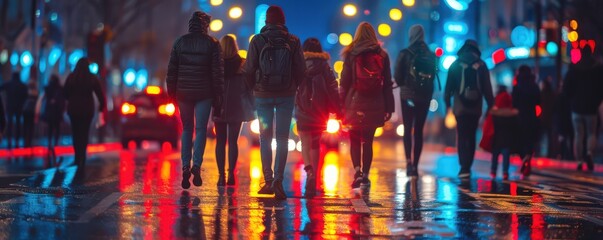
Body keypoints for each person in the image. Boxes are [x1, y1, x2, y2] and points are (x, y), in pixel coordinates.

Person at [244, 5, 306, 199]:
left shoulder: (258, 41)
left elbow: (248, 69)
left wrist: (253, 87)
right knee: (281, 138)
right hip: (286, 95)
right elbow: (301, 70)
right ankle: (279, 180)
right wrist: (294, 86)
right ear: (283, 21)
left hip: (263, 95)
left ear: (266, 21)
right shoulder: (293, 41)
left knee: (265, 138)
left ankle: (268, 180)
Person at [166, 11, 224, 189]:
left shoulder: (180, 42)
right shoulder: (212, 44)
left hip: (183, 92)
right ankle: (196, 165)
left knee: (186, 129)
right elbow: (217, 73)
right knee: (200, 129)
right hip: (204, 93)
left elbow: (171, 71)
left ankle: (185, 165)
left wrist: (172, 94)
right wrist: (218, 96)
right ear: (205, 26)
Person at [340, 22, 395, 188]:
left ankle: (357, 171)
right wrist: (389, 108)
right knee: (368, 141)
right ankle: (366, 174)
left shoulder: (351, 54)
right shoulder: (383, 55)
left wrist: (340, 106)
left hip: (355, 101)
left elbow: (344, 82)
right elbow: (387, 84)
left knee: (354, 139)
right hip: (376, 102)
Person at [294, 37, 340, 195]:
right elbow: (333, 87)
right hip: (320, 110)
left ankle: (310, 173)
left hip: (302, 109)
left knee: (305, 143)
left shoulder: (298, 64)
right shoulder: (324, 66)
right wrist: (337, 108)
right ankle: (316, 177)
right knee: (315, 144)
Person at [444, 40, 494, 179]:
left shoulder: (455, 64)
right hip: (476, 108)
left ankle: (463, 167)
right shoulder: (482, 65)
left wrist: (448, 105)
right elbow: (487, 89)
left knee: (462, 135)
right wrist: (490, 107)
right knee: (471, 136)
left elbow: (448, 89)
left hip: (460, 107)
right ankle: (468, 166)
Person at [394, 24, 437, 177]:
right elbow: (433, 78)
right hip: (424, 97)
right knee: (418, 131)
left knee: (408, 129)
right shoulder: (431, 54)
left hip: (407, 97)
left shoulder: (405, 53)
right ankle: (417, 165)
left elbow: (398, 77)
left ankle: (408, 163)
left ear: (411, 35)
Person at [213, 35, 255, 187]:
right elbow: (249, 87)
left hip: (220, 106)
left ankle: (221, 176)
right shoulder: (243, 65)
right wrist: (252, 105)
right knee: (233, 142)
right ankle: (231, 174)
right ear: (235, 46)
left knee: (220, 142)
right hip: (237, 106)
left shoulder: (217, 65)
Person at [563, 46, 603, 171]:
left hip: (576, 107)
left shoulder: (574, 68)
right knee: (591, 133)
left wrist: (571, 100)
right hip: (591, 107)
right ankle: (590, 152)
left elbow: (566, 89)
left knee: (578, 134)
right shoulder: (597, 68)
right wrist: (597, 101)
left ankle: (579, 160)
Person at [64, 58, 106, 173]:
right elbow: (100, 96)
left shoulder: (72, 77)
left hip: (73, 109)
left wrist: (71, 99)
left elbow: (65, 93)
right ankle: (82, 158)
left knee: (76, 134)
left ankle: (77, 158)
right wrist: (101, 108)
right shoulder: (92, 78)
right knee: (84, 133)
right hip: (87, 110)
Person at [512, 65, 540, 177]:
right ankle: (528, 157)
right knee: (530, 140)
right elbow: (539, 100)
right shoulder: (534, 85)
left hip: (520, 117)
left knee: (520, 141)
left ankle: (524, 157)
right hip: (532, 116)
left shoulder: (517, 86)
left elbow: (513, 102)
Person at [489, 86, 519, 180]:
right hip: (507, 137)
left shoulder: (495, 112)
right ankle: (505, 172)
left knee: (495, 155)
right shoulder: (512, 113)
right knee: (506, 155)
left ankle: (493, 171)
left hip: (497, 137)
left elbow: (490, 124)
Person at [0, 72, 28, 149]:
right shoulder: (22, 85)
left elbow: (1, 88)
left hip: (10, 107)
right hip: (19, 107)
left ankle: (9, 141)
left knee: (9, 124)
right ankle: (17, 141)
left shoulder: (9, 84)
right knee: (18, 124)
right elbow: (26, 95)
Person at [42, 75, 66, 152]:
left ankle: (50, 143)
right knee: (57, 127)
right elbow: (63, 100)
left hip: (50, 111)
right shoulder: (60, 89)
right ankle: (55, 143)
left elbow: (43, 99)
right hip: (57, 111)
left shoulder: (47, 88)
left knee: (50, 128)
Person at [22, 80, 39, 148]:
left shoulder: (26, 91)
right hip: (32, 110)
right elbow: (37, 103)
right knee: (31, 126)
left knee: (25, 126)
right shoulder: (36, 93)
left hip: (25, 110)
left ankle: (25, 140)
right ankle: (29, 140)